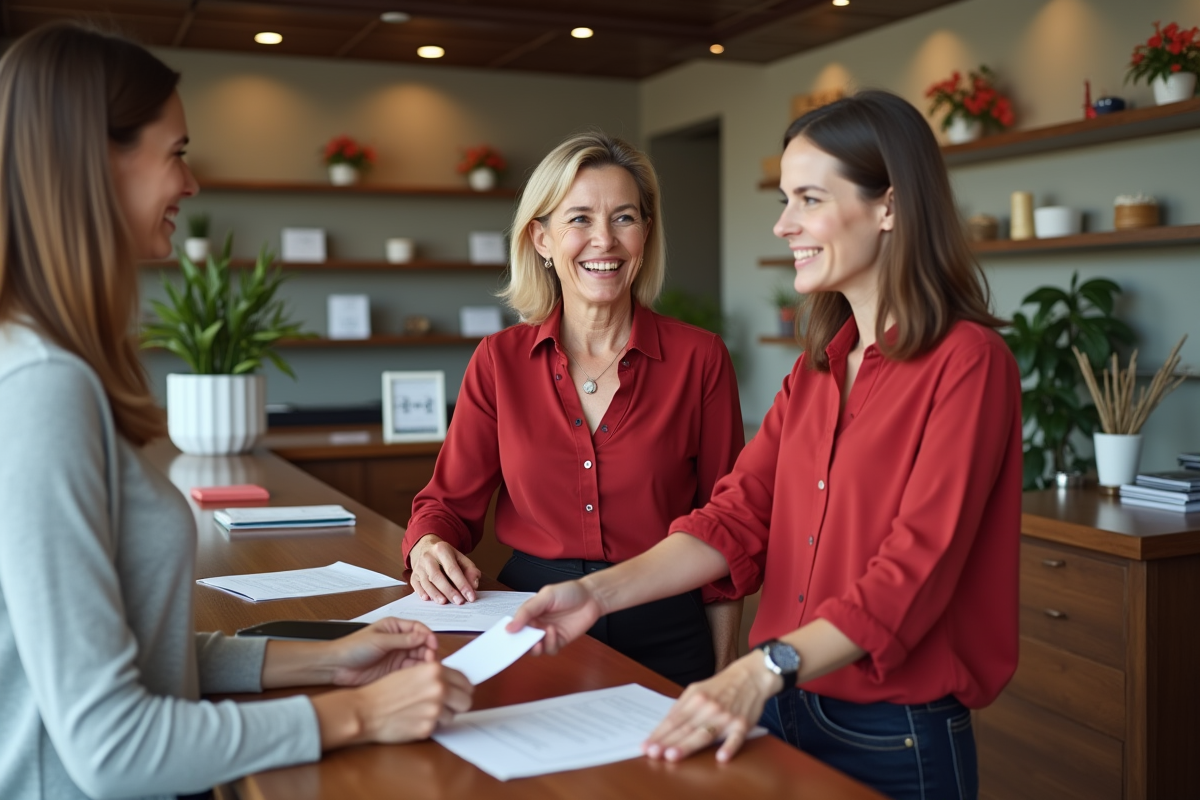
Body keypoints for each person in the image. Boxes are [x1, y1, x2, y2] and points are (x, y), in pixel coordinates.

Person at [0, 23, 471, 800]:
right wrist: (355, 717)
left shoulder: (47, 365)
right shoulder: (43, 388)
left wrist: (330, 657)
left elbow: (139, 658)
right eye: (176, 153)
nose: (189, 185)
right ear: (92, 160)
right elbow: (112, 746)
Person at [510, 90, 1023, 800]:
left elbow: (914, 572)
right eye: (785, 200)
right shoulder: (816, 371)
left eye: (808, 199)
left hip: (892, 734)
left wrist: (757, 668)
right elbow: (733, 520)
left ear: (890, 206)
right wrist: (593, 595)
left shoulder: (969, 363)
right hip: (785, 708)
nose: (784, 225)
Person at [403, 131, 746, 686]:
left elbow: (726, 528)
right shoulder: (499, 360)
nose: (604, 241)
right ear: (541, 238)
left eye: (625, 218)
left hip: (665, 627)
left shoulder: (700, 359)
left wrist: (725, 669)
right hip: (532, 626)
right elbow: (447, 502)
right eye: (580, 219)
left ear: (646, 233)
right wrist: (427, 544)